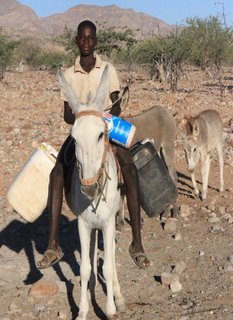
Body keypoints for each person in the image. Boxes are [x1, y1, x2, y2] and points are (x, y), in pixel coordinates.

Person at [37, 20, 150, 270]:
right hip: (81, 128)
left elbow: (116, 103)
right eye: (82, 38)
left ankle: (137, 242)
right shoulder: (68, 74)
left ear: (96, 41)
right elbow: (67, 114)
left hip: (105, 126)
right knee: (57, 172)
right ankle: (53, 243)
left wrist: (108, 112)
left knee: (129, 169)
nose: (86, 42)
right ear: (77, 40)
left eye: (90, 38)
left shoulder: (107, 70)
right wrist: (81, 114)